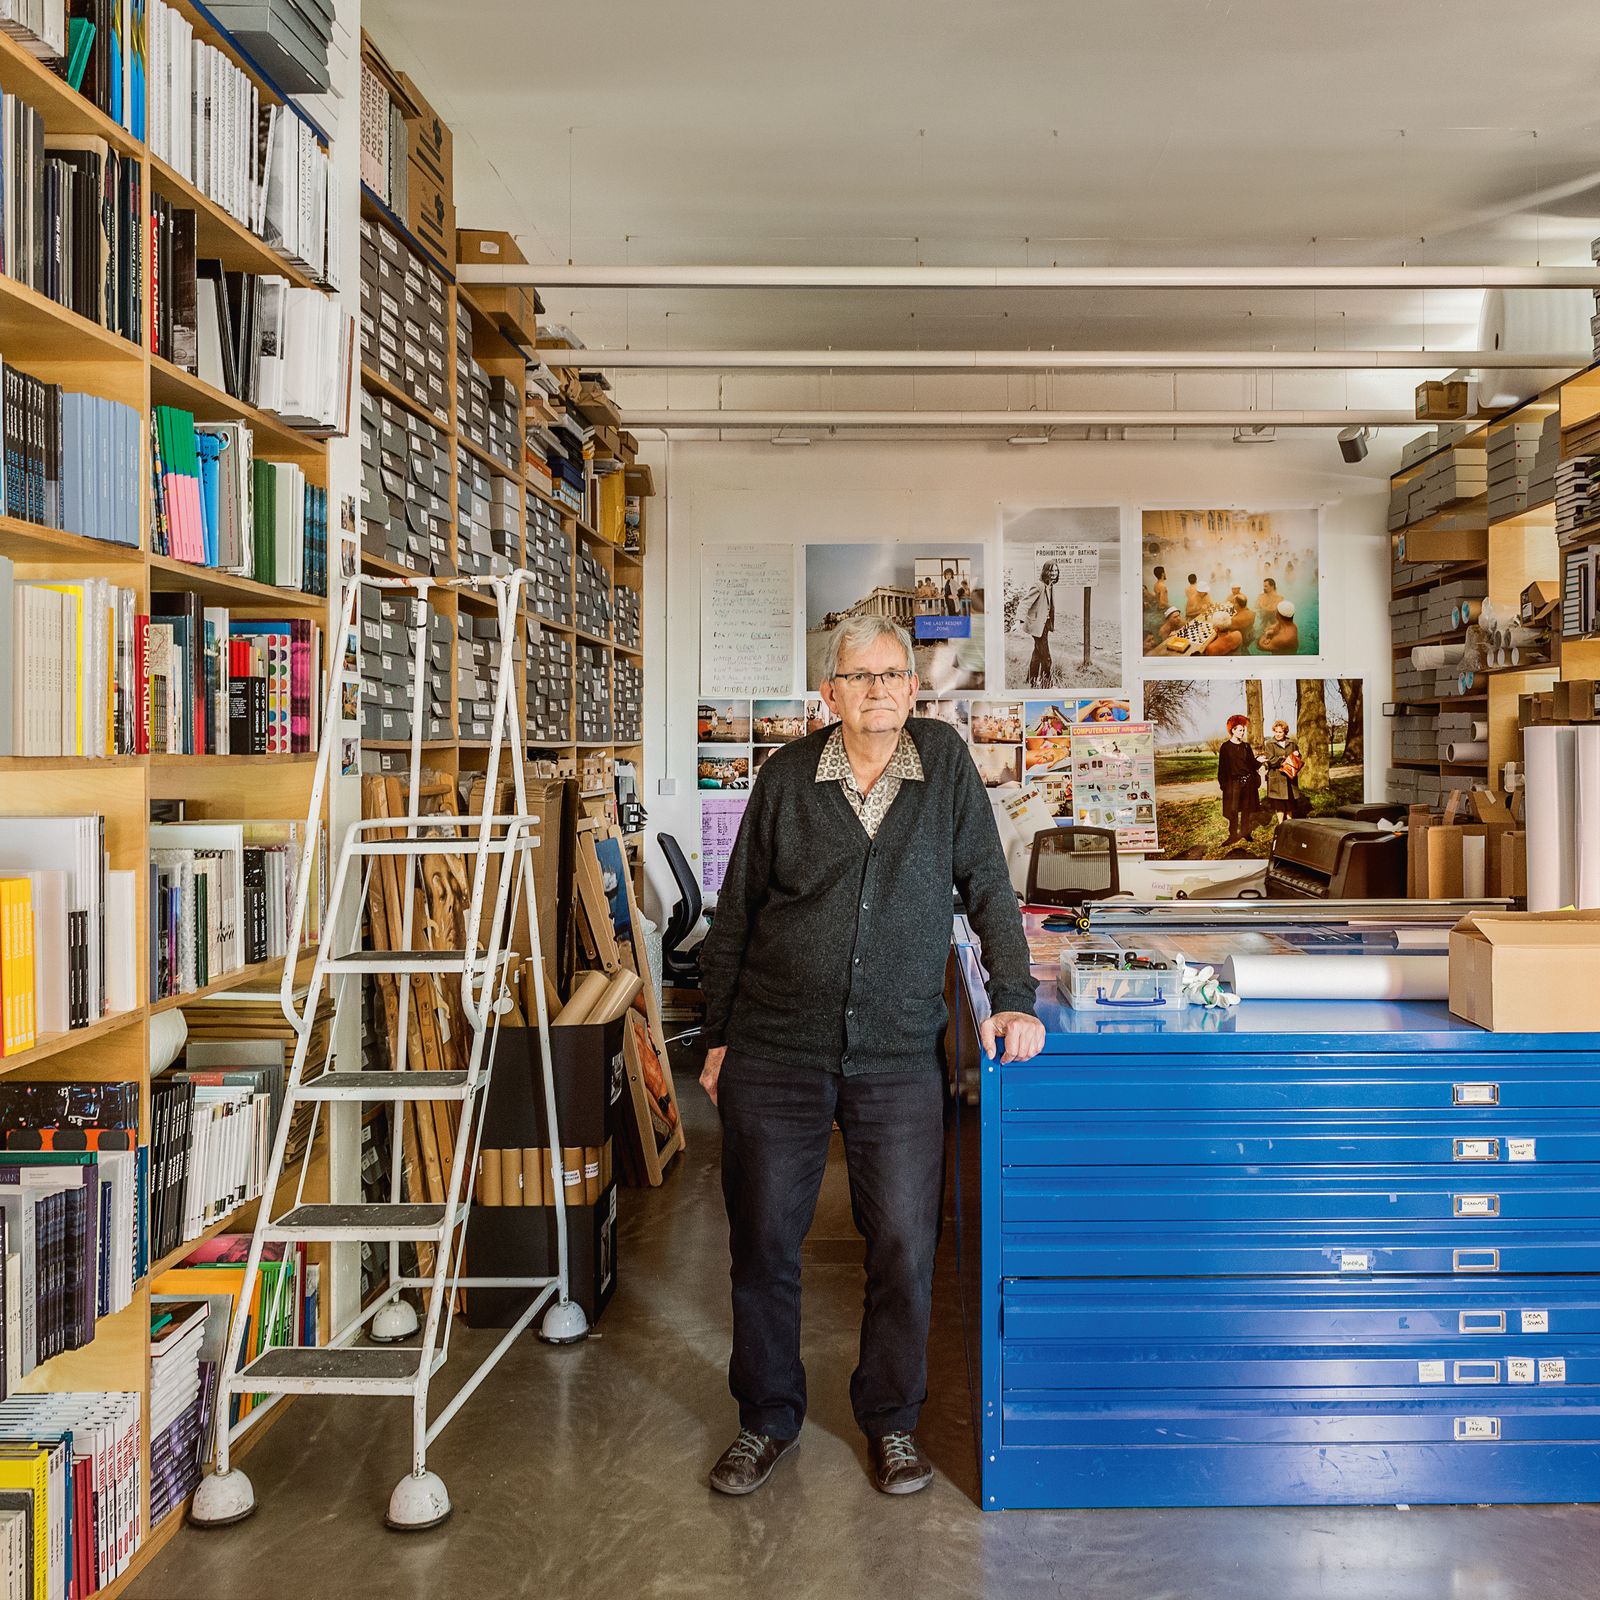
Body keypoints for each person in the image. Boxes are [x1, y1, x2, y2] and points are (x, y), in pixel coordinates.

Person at [698, 615, 1044, 1499]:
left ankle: (891, 1420)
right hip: (776, 1048)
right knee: (765, 1242)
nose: (881, 689)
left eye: (894, 674)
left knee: (901, 1242)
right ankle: (766, 1419)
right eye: (861, 676)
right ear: (831, 693)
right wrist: (717, 1039)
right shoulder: (785, 779)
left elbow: (991, 887)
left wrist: (1013, 998)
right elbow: (735, 915)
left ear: (913, 689)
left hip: (896, 1054)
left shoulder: (946, 769)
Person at [1216, 714, 1263, 846]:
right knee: (1233, 811)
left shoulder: (1246, 747)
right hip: (1233, 784)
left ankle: (1245, 832)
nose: (1242, 733)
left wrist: (1259, 762)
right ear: (1233, 730)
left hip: (1247, 783)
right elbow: (1222, 769)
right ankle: (1232, 835)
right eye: (1239, 730)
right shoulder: (1225, 747)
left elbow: (1252, 764)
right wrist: (1224, 786)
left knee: (1246, 810)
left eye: (1243, 730)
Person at [1018, 560, 1059, 687]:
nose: (1053, 573)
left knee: (1037, 654)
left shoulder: (1050, 585)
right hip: (1037, 625)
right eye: (1051, 570)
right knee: (1046, 658)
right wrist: (1018, 620)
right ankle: (1048, 684)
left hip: (1044, 625)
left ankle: (1031, 680)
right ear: (1045, 571)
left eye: (1056, 570)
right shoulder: (1038, 585)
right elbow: (1025, 603)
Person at [1262, 719, 1303, 824]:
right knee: (1279, 804)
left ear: (1285, 732)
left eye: (1280, 732)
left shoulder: (1292, 743)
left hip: (1289, 778)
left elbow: (1298, 759)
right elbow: (1271, 761)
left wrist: (1297, 755)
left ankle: (1290, 822)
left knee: (1290, 802)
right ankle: (1281, 824)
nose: (1278, 734)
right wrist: (1283, 759)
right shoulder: (1269, 744)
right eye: (1276, 732)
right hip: (1277, 777)